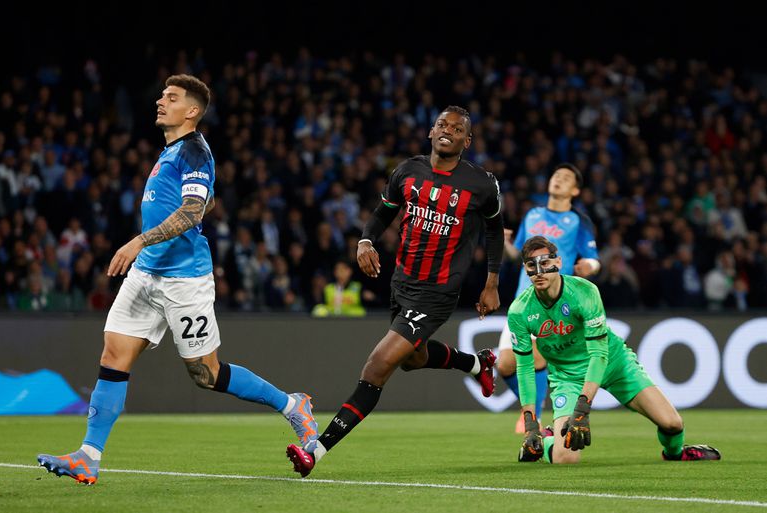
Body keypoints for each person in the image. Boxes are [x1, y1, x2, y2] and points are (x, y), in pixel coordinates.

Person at [37, 74, 318, 485]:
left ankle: (293, 405)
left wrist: (139, 240)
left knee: (205, 374)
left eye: (171, 98)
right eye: (161, 95)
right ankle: (88, 456)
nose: (159, 101)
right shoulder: (170, 152)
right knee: (114, 354)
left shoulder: (194, 152)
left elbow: (191, 211)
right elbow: (201, 200)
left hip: (184, 279)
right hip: (146, 274)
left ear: (192, 111)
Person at [287, 106, 504, 477]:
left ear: (467, 141)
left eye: (456, 128)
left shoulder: (481, 184)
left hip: (438, 290)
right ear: (431, 132)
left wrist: (492, 282)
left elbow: (495, 230)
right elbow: (383, 211)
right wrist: (365, 241)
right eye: (441, 124)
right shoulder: (408, 171)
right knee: (412, 359)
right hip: (402, 283)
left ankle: (316, 449)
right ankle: (476, 363)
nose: (446, 130)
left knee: (378, 365)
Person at [510, 235, 721, 464]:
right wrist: (531, 425)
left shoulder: (584, 293)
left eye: (545, 263)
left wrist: (582, 408)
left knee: (672, 424)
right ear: (525, 269)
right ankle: (547, 440)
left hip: (613, 363)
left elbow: (599, 354)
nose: (539, 271)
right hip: (568, 377)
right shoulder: (519, 311)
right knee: (565, 459)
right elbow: (524, 368)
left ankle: (676, 453)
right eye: (532, 265)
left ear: (558, 263)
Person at [496, 163, 600, 433]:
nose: (559, 180)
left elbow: (592, 258)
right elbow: (515, 256)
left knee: (537, 356)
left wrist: (589, 267)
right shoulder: (532, 214)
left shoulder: (579, 220)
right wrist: (504, 243)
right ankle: (538, 414)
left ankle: (535, 418)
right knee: (505, 364)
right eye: (556, 175)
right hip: (524, 298)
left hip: (557, 302)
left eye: (566, 178)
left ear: (575, 190)